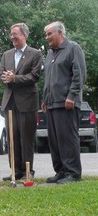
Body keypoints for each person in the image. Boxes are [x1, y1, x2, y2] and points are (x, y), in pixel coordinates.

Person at [42, 21, 86, 184]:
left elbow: (79, 74)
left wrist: (72, 96)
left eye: (49, 34)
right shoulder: (50, 53)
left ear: (60, 33)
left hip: (67, 102)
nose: (47, 37)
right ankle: (61, 171)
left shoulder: (73, 48)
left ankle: (73, 173)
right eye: (46, 34)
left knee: (68, 139)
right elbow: (48, 79)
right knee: (54, 140)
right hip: (52, 103)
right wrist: (45, 98)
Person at [0, 23, 43, 180]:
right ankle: (15, 171)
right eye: (11, 34)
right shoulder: (6, 54)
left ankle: (27, 171)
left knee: (26, 137)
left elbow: (35, 76)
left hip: (27, 102)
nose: (12, 37)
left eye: (15, 34)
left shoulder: (36, 53)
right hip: (10, 102)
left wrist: (14, 78)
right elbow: (0, 75)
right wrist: (6, 77)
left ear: (24, 35)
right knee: (12, 137)